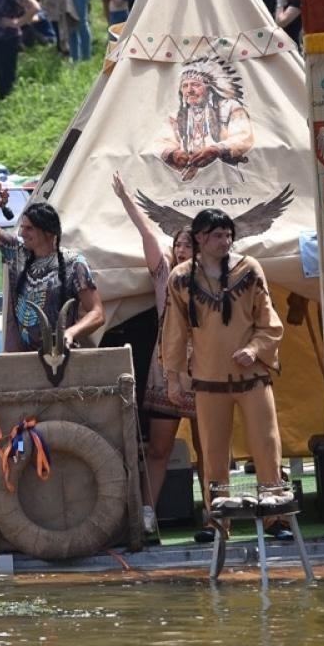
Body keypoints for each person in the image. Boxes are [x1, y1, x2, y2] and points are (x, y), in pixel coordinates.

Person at [160, 208, 290, 517]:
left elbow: (269, 322)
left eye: (229, 235)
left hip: (252, 377)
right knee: (213, 453)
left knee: (267, 446)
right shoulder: (181, 278)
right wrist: (173, 378)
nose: (225, 241)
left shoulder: (249, 269)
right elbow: (174, 332)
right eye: (218, 235)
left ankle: (276, 518)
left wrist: (255, 349)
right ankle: (218, 521)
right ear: (200, 238)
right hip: (209, 380)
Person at [112, 174, 200, 525]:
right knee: (159, 448)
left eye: (188, 245)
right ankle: (147, 513)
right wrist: (126, 200)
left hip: (204, 370)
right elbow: (147, 234)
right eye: (178, 245)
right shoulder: (165, 277)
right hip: (166, 371)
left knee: (209, 449)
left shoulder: (214, 278)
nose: (181, 250)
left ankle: (215, 513)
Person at [0, 192, 102, 354]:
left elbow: (97, 313)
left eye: (29, 228)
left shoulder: (74, 264)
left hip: (60, 356)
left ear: (49, 232)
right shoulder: (16, 252)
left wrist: (70, 333)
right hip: (21, 357)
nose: (22, 233)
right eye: (22, 227)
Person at [154, 56, 254, 176]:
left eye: (195, 84)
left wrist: (216, 150)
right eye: (185, 86)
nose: (189, 90)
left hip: (224, 174)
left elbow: (243, 137)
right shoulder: (176, 117)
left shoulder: (230, 107)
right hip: (189, 178)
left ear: (210, 88)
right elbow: (162, 142)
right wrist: (174, 154)